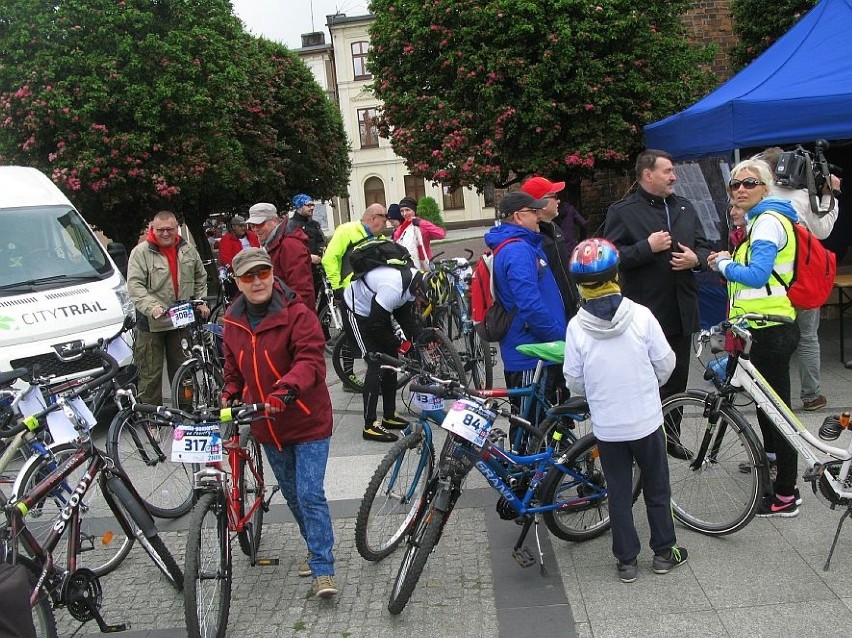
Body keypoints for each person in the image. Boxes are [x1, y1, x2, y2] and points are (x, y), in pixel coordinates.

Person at [563, 237, 686, 583]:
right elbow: (666, 364)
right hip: (646, 421)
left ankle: (626, 561)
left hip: (608, 428)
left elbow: (575, 382)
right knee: (657, 488)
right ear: (616, 274)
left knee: (617, 492)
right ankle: (664, 552)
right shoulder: (642, 316)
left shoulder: (576, 328)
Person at [220, 248, 338, 598]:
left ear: (272, 274)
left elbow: (310, 360)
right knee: (291, 494)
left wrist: (286, 390)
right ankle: (312, 545)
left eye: (263, 273)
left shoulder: (298, 314)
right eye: (248, 277)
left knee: (309, 492)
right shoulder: (232, 320)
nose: (257, 282)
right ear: (238, 283)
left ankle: (323, 567)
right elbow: (233, 366)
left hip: (306, 419)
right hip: (266, 426)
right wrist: (230, 389)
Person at [708, 159, 802, 517]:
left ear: (765, 187)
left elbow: (757, 273)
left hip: (770, 330)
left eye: (749, 183)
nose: (741, 190)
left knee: (778, 414)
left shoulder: (765, 223)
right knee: (768, 409)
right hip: (760, 328)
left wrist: (722, 264)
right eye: (735, 185)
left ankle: (786, 495)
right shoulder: (761, 221)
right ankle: (781, 481)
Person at [604, 149, 711, 459]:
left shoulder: (684, 207)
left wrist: (697, 259)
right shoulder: (623, 211)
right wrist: (645, 248)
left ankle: (671, 436)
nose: (674, 176)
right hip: (645, 313)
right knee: (644, 380)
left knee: (676, 377)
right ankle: (642, 439)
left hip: (682, 309)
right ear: (647, 175)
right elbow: (611, 258)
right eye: (667, 171)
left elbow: (704, 246)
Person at [754, 147, 843, 411]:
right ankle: (811, 395)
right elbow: (823, 231)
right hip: (799, 278)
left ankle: (760, 391)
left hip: (766, 281)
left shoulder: (753, 195)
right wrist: (831, 196)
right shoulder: (803, 196)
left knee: (762, 335)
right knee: (807, 337)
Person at [483, 192, 567, 435]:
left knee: (530, 419)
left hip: (532, 346)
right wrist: (560, 336)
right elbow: (529, 305)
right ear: (519, 217)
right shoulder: (518, 250)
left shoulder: (522, 245)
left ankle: (529, 469)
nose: (538, 216)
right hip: (531, 351)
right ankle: (528, 471)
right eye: (534, 212)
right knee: (531, 424)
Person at [342, 256, 427, 442]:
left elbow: (404, 317)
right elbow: (375, 326)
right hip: (356, 311)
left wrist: (420, 336)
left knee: (391, 361)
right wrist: (399, 344)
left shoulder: (413, 282)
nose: (419, 301)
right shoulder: (394, 287)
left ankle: (389, 415)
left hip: (376, 313)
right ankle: (370, 425)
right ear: (419, 288)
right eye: (421, 298)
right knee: (375, 362)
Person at [127, 210, 208, 405]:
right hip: (152, 324)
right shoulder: (140, 253)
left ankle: (186, 410)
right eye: (160, 230)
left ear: (176, 229)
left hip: (181, 321)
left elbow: (200, 277)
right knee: (150, 375)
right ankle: (152, 418)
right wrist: (152, 307)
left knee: (184, 369)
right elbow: (135, 285)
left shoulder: (188, 250)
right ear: (152, 229)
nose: (165, 234)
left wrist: (200, 301)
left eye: (169, 229)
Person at [321, 204, 390, 390]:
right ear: (373, 218)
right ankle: (348, 378)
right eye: (384, 220)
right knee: (350, 334)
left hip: (370, 293)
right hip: (349, 291)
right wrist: (336, 287)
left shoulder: (379, 238)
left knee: (371, 333)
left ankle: (373, 373)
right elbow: (330, 258)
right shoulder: (347, 230)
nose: (386, 224)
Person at [521, 176, 582, 321]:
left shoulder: (555, 228)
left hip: (572, 310)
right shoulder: (530, 239)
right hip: (552, 316)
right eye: (554, 196)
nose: (559, 200)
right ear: (541, 203)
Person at [246, 202, 315, 309]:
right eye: (252, 225)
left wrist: (291, 317)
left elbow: (301, 289)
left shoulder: (290, 245)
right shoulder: (271, 244)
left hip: (294, 317)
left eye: (259, 224)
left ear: (274, 221)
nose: (255, 229)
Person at [287, 194, 328, 302]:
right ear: (300, 206)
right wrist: (308, 257)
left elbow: (322, 241)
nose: (312, 207)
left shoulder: (315, 224)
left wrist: (322, 252)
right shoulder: (290, 225)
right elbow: (290, 250)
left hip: (318, 271)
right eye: (308, 205)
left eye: (313, 205)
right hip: (301, 273)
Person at [392, 197, 446, 264]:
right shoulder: (400, 229)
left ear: (414, 210)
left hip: (426, 265)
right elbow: (396, 248)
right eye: (402, 211)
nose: (405, 214)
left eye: (407, 210)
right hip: (409, 266)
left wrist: (421, 223)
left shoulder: (423, 225)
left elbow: (441, 234)